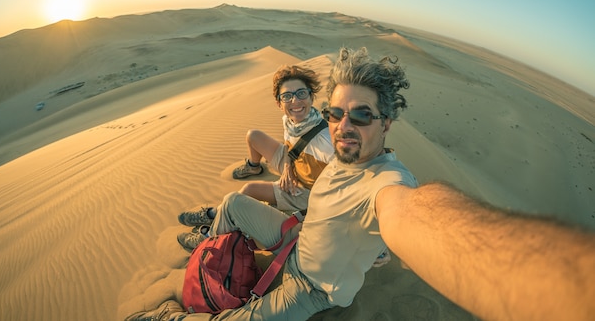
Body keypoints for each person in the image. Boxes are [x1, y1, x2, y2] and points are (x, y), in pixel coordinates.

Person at [127, 48, 595, 321]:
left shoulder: (388, 181)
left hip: (310, 285)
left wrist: (560, 284)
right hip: (294, 236)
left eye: (362, 114)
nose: (343, 125)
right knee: (232, 202)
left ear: (386, 123)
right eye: (335, 113)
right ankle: (211, 252)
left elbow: (415, 215)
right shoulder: (336, 155)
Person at [176, 65, 334, 249]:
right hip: (295, 164)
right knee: (254, 136)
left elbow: (348, 181)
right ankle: (253, 166)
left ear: (311, 96)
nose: (295, 101)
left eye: (301, 93)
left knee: (246, 192)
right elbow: (292, 145)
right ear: (279, 103)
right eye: (287, 96)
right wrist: (286, 168)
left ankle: (211, 230)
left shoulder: (327, 141)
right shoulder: (291, 121)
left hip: (306, 190)